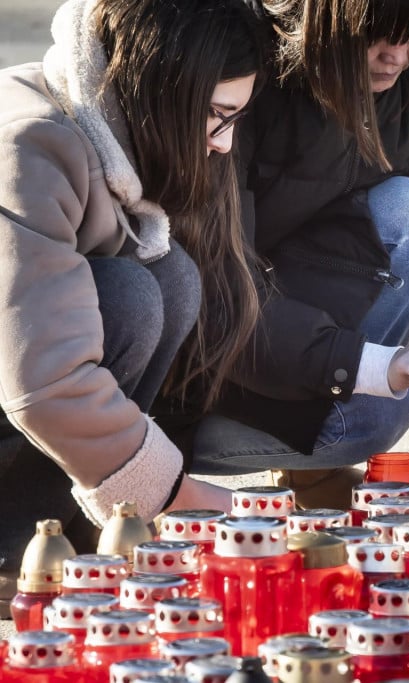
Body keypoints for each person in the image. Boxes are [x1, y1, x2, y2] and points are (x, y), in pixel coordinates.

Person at [181, 0, 409, 507]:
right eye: (377, 35)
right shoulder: (242, 76)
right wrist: (373, 368)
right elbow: (218, 288)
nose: (397, 56)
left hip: (286, 322)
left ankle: (307, 466)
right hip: (194, 363)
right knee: (376, 415)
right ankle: (172, 463)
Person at [0, 0, 265, 611]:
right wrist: (173, 493)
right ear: (160, 90)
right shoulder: (30, 144)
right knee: (130, 295)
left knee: (169, 277)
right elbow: (44, 380)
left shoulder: (101, 130)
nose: (223, 146)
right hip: (25, 384)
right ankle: (17, 547)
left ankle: (60, 533)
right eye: (216, 117)